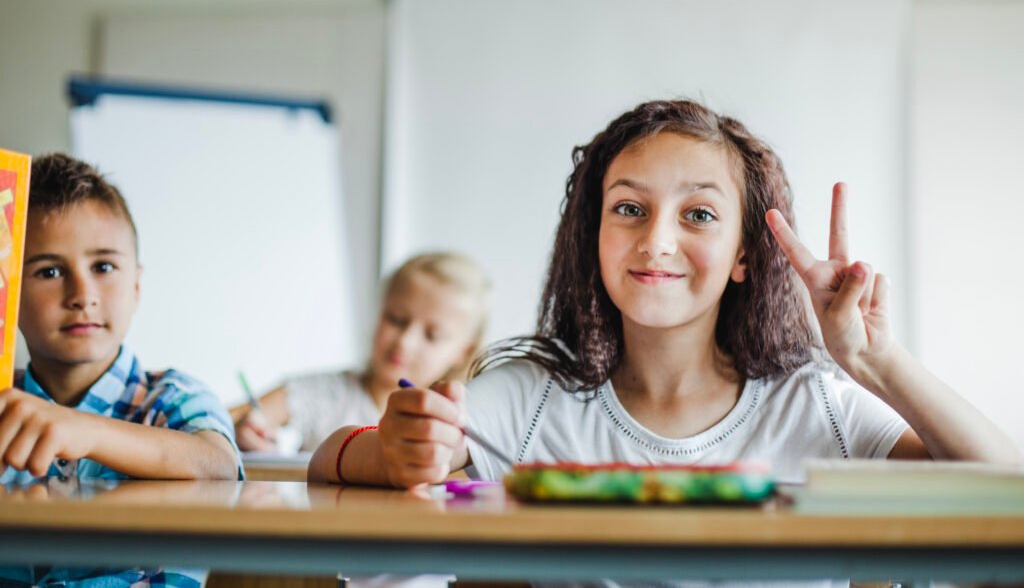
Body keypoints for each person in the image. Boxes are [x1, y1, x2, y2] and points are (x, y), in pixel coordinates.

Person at [309, 99, 1020, 489]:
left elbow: (1004, 493)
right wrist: (393, 450)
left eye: (699, 214)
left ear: (745, 255)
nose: (656, 241)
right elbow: (325, 458)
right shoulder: (533, 395)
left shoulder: (815, 404)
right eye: (628, 208)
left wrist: (877, 363)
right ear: (593, 235)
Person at [0, 152, 241, 586]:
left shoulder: (170, 397)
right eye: (50, 271)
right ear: (9, 293)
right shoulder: (4, 409)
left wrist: (83, 429)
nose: (83, 294)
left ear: (136, 285)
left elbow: (218, 466)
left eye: (104, 267)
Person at [232, 252, 490, 453]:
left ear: (463, 351)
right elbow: (216, 421)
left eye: (432, 335)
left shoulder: (465, 425)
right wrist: (243, 429)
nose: (405, 342)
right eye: (396, 319)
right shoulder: (325, 394)